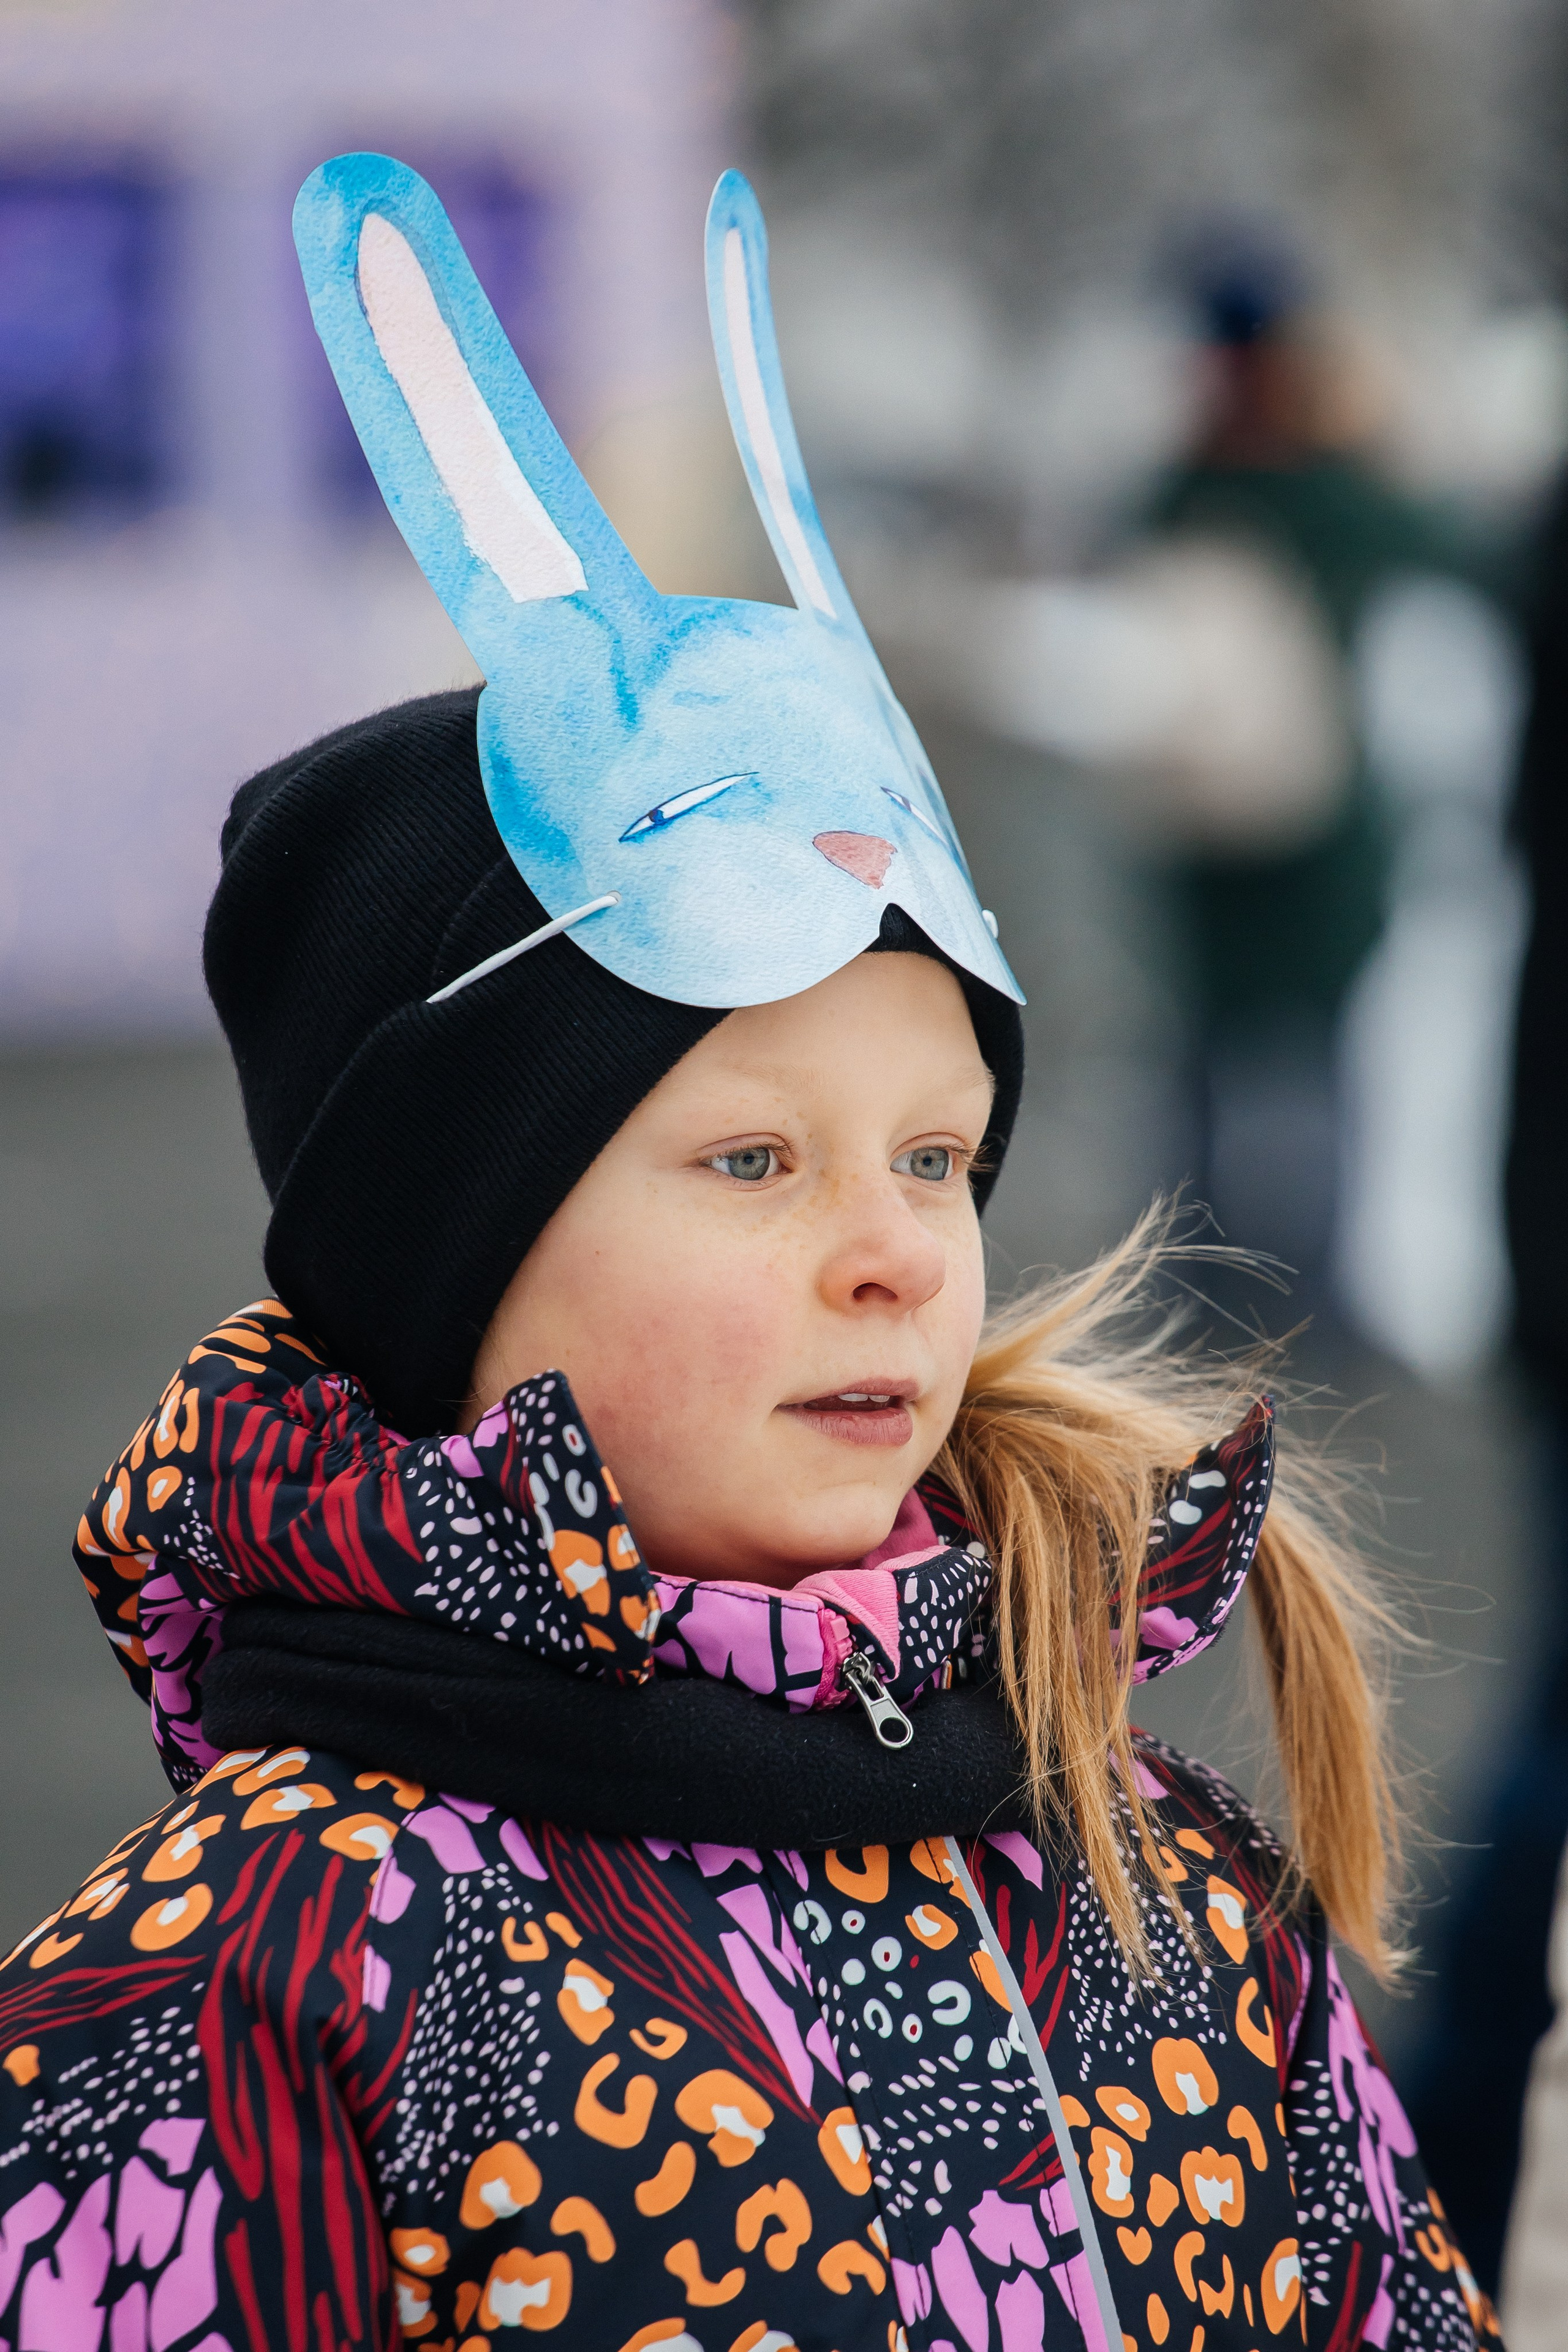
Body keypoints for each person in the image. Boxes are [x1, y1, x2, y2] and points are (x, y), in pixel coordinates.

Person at [0, 154, 1496, 2352]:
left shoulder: (1136, 1857)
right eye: (753, 1165)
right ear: (451, 1262)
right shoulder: (258, 1971)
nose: (896, 1253)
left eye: (935, 1158)